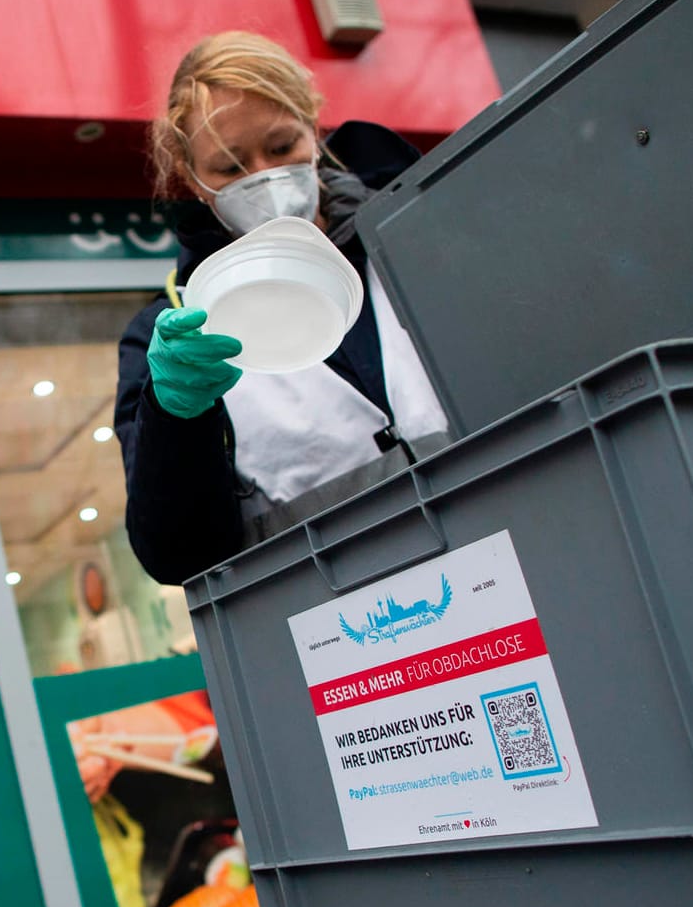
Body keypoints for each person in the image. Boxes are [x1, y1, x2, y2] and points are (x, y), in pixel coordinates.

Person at [116, 32, 451, 586]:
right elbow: (177, 554)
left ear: (313, 130)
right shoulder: (172, 331)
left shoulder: (414, 242)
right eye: (228, 167)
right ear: (194, 181)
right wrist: (174, 418)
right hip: (357, 630)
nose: (263, 178)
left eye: (280, 147)